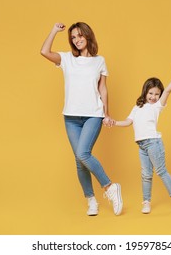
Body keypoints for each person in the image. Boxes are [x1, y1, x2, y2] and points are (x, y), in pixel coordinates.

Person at [40, 22, 123, 216]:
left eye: (80, 36)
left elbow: (103, 88)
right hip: (70, 117)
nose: (77, 40)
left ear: (87, 36)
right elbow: (44, 51)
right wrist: (54, 30)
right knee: (79, 160)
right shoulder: (67, 59)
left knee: (83, 154)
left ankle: (110, 187)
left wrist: (107, 113)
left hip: (93, 114)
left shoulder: (99, 61)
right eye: (73, 37)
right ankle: (91, 201)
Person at [113, 68, 171, 214]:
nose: (153, 97)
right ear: (145, 92)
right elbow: (128, 122)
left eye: (156, 94)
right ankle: (146, 202)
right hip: (141, 145)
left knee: (161, 171)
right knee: (146, 174)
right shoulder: (137, 107)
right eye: (151, 93)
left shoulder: (157, 106)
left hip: (153, 143)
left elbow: (168, 92)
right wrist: (114, 123)